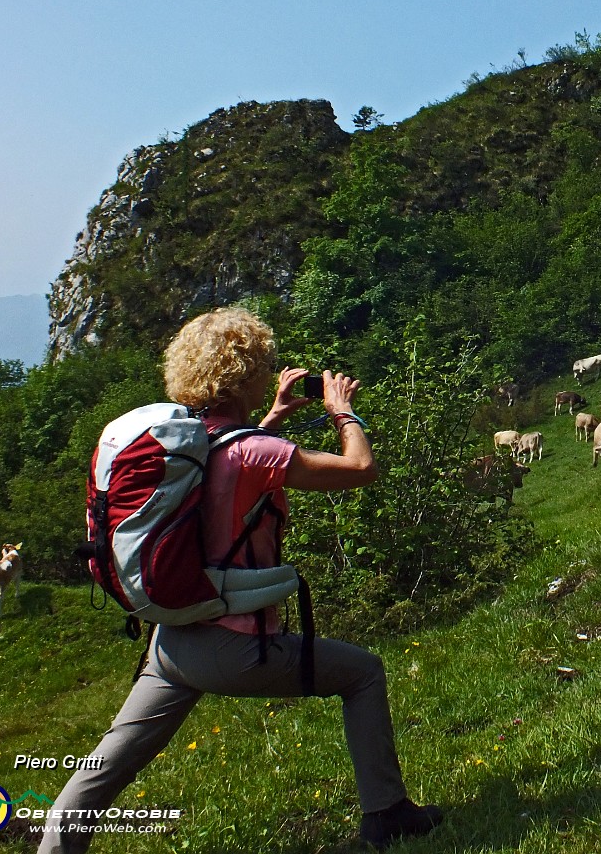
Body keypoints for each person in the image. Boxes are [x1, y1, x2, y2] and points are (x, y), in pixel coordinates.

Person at [39, 307, 441, 853]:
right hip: (236, 647)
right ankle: (387, 812)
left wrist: (271, 417)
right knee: (363, 674)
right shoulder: (256, 451)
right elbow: (360, 469)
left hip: (174, 639)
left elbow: (230, 466)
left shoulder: (186, 441)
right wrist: (343, 413)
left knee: (111, 761)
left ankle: (55, 847)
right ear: (246, 373)